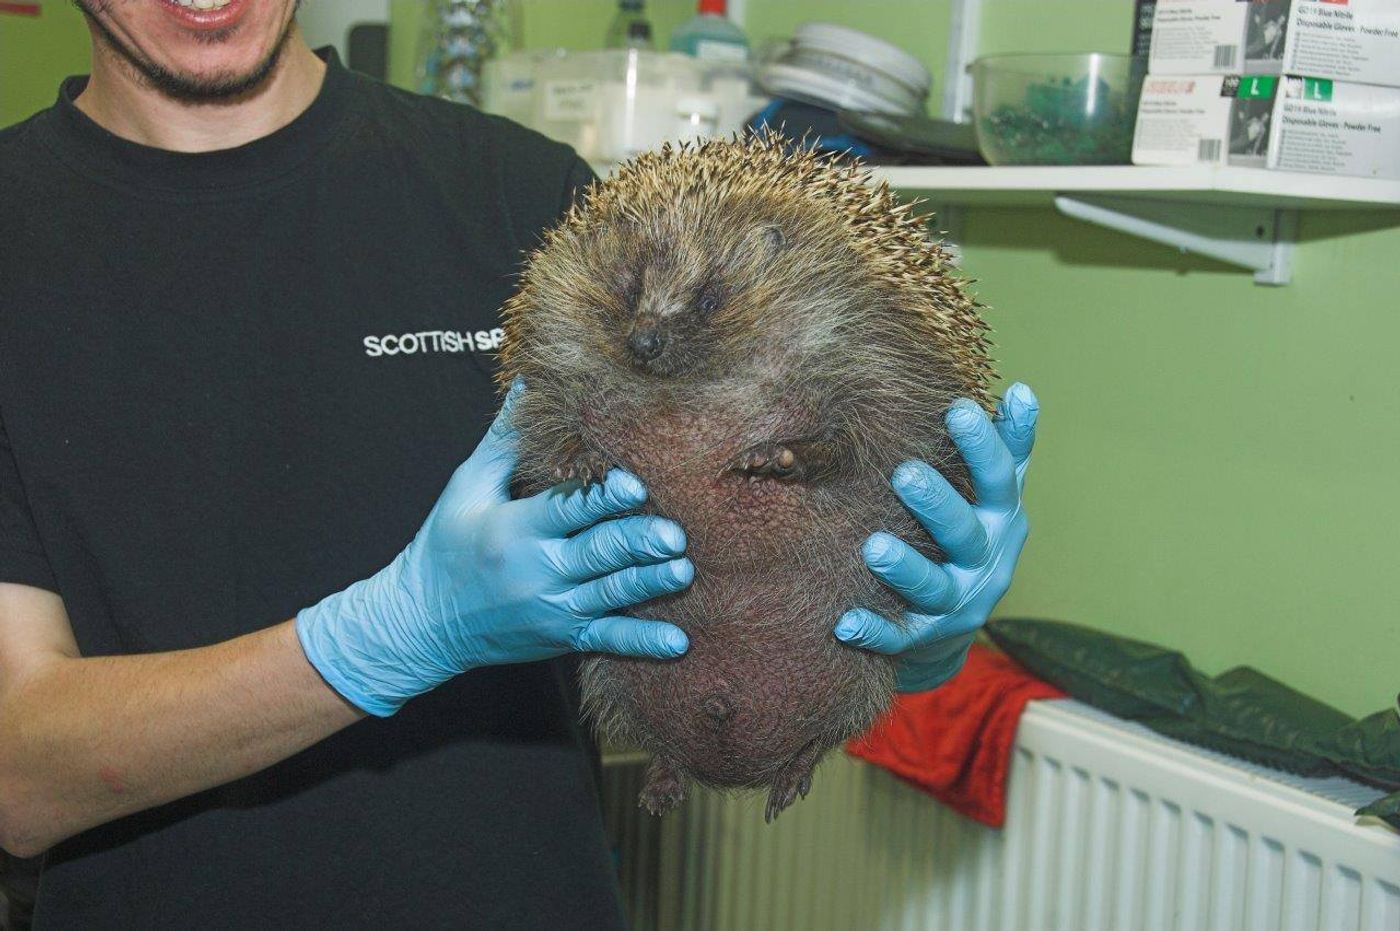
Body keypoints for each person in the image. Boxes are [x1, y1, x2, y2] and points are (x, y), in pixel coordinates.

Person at [0, 1, 1039, 926]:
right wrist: (376, 641)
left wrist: (906, 620)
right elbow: (15, 776)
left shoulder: (526, 192)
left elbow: (715, 561)